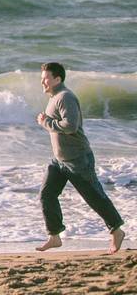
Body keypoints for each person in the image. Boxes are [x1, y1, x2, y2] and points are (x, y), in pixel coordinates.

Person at [35, 62, 125, 254]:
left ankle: (116, 230)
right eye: (42, 78)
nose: (42, 82)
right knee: (47, 194)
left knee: (94, 197)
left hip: (77, 159)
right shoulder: (54, 97)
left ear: (57, 79)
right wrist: (48, 122)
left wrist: (46, 122)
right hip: (60, 161)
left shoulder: (65, 97)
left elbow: (70, 126)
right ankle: (54, 236)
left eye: (46, 78)